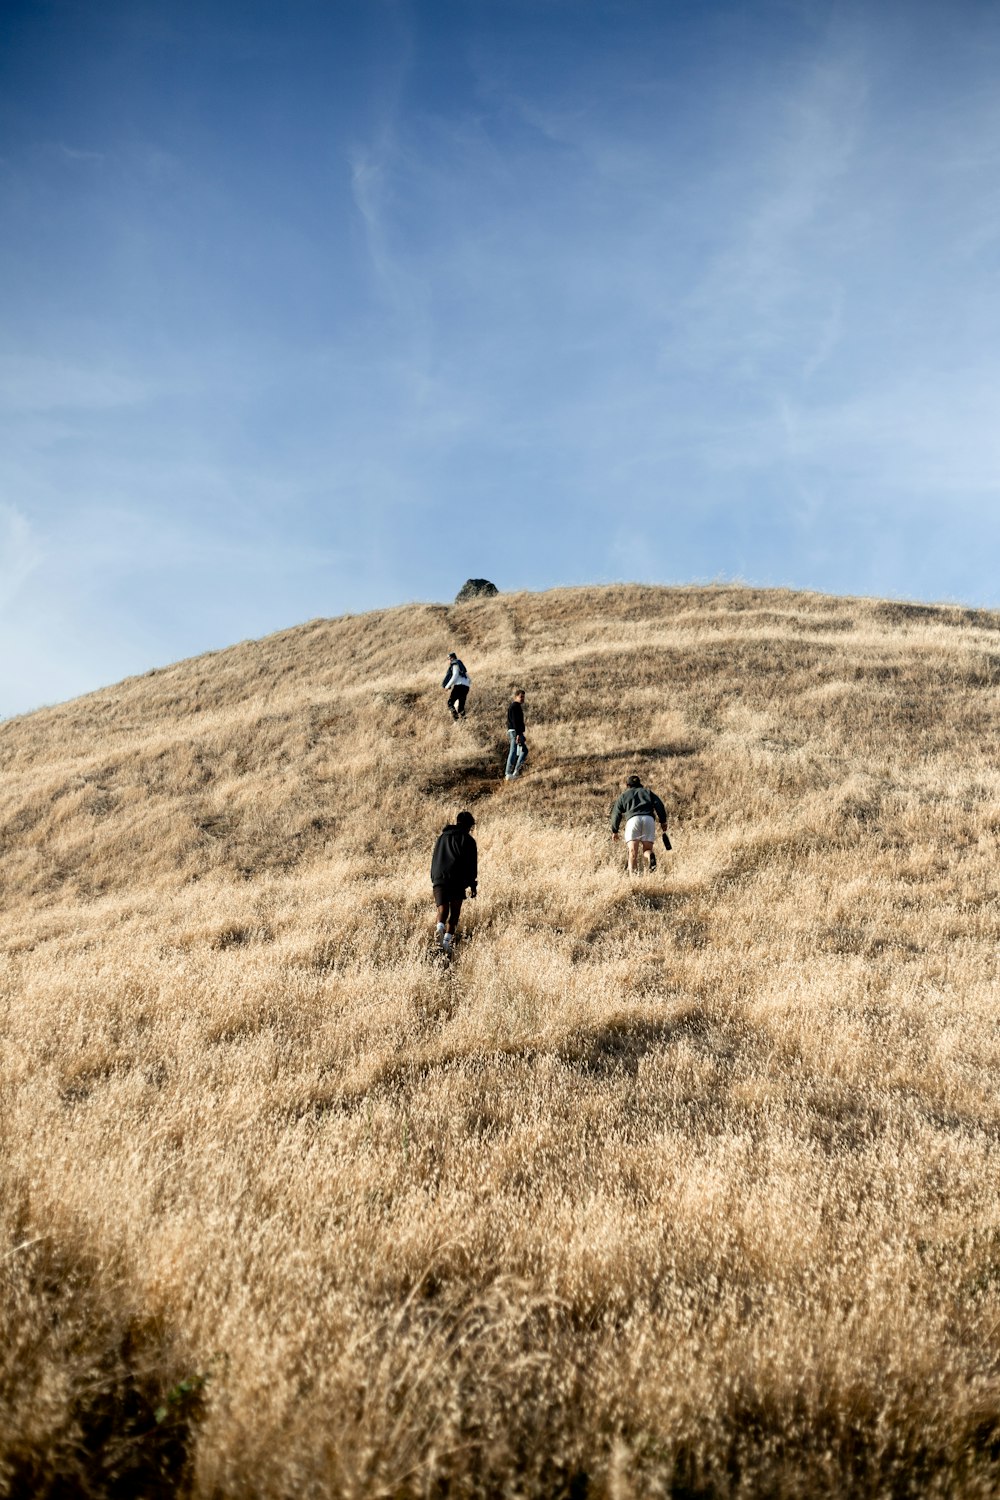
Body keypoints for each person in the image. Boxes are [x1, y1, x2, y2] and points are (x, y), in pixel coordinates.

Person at [430, 810, 478, 952]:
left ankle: (439, 929)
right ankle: (446, 944)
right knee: (455, 912)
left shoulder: (442, 837)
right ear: (468, 825)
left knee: (442, 909)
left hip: (439, 877)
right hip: (457, 879)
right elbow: (471, 865)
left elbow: (435, 858)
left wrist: (434, 878)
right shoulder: (468, 840)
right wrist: (472, 884)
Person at [609, 773, 670, 875]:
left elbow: (616, 813)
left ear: (627, 785)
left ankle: (634, 879)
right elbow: (659, 805)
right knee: (647, 849)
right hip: (648, 820)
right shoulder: (647, 792)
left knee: (633, 852)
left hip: (633, 821)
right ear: (639, 784)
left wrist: (615, 830)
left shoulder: (624, 795)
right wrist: (663, 821)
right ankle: (650, 856)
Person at [505, 689, 528, 779]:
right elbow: (515, 721)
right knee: (514, 751)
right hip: (515, 732)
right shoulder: (514, 706)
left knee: (522, 750)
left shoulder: (516, 706)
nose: (522, 699)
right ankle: (509, 773)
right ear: (516, 697)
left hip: (516, 732)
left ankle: (515, 772)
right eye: (521, 697)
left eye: (523, 697)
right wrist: (518, 734)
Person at [442, 652, 471, 720]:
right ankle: (464, 721)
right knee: (461, 707)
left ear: (451, 658)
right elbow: (469, 679)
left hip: (459, 686)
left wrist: (447, 686)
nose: (448, 661)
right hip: (466, 687)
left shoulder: (455, 664)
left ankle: (456, 720)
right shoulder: (461, 665)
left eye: (448, 659)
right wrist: (466, 685)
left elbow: (455, 675)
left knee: (450, 703)